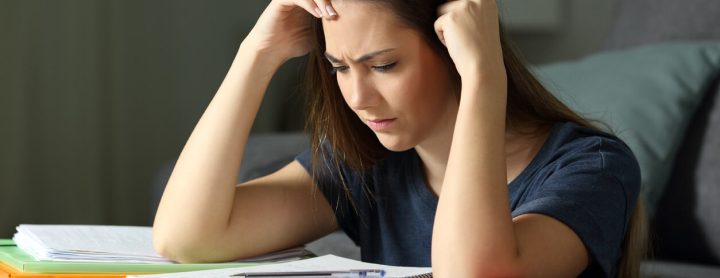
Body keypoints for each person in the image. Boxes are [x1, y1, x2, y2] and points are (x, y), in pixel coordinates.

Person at [152, 0, 648, 277]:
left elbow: (473, 275)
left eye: (384, 65)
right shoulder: (368, 164)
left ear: (455, 50)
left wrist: (484, 78)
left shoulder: (594, 167)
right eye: (340, 67)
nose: (359, 97)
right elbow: (188, 238)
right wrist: (256, 54)